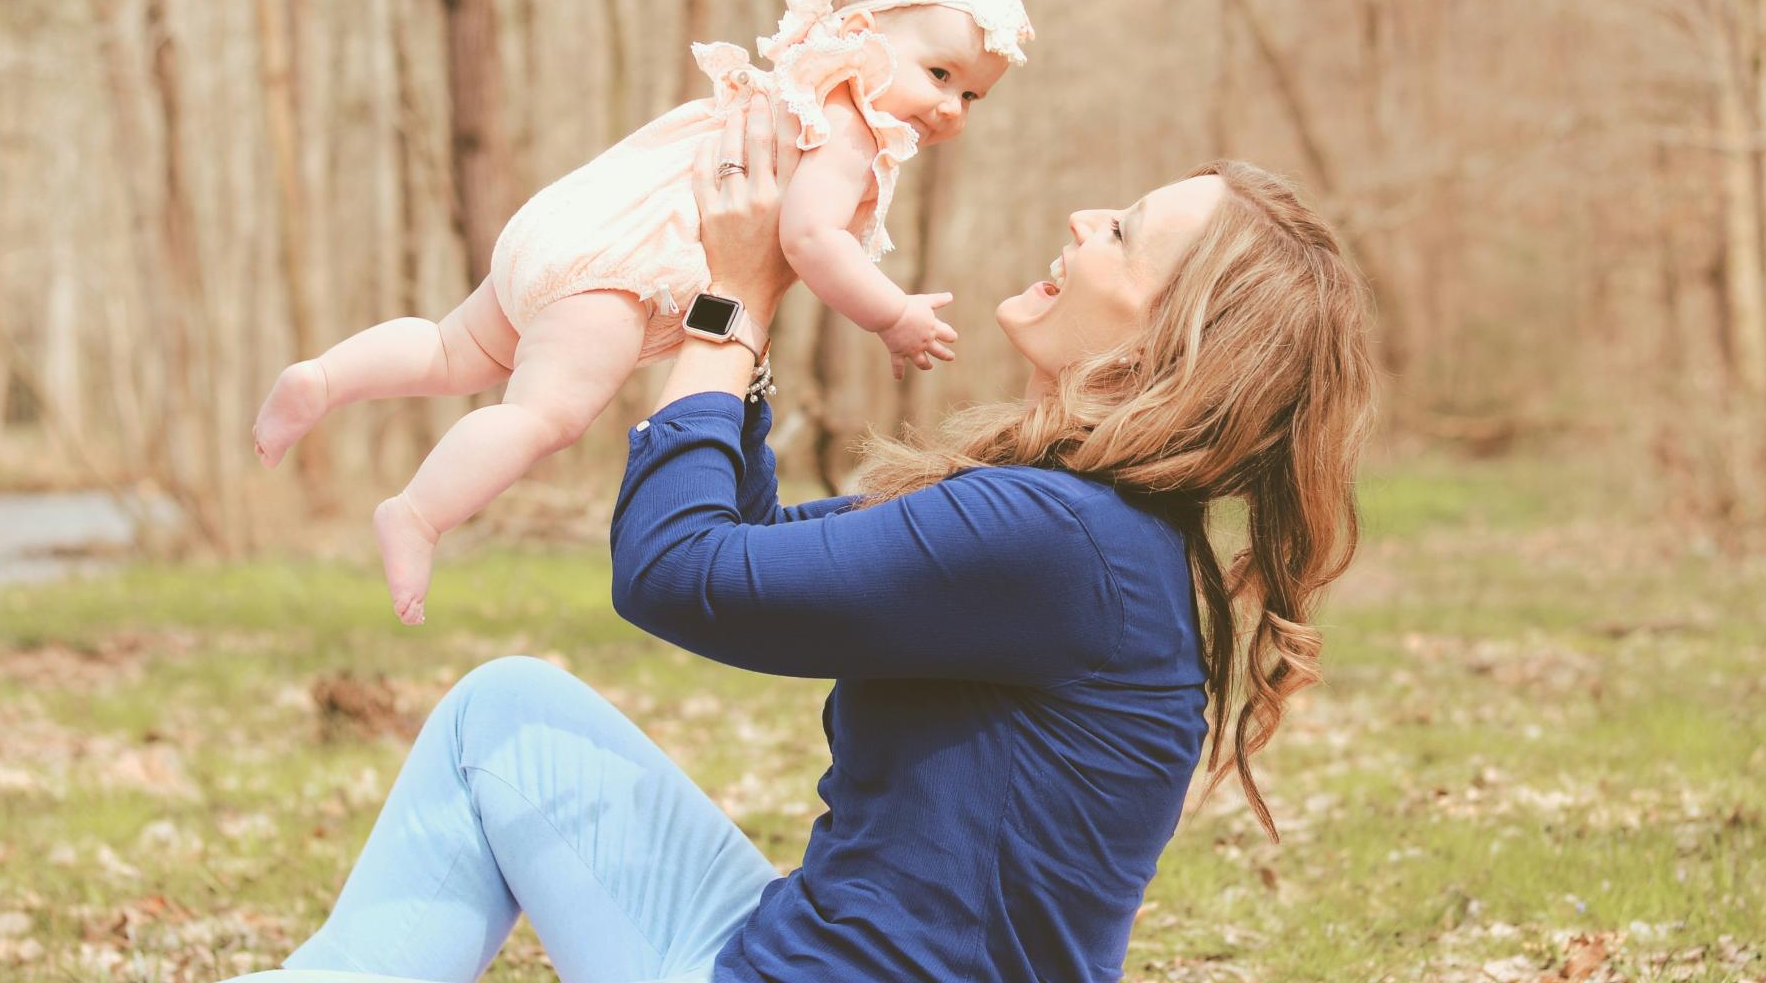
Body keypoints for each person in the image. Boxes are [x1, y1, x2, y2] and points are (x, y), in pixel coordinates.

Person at [228, 90, 1377, 983]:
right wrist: (734, 326)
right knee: (504, 713)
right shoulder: (1087, 532)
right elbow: (754, 546)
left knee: (498, 721)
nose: (1083, 219)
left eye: (1120, 234)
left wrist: (732, 304)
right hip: (783, 943)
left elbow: (676, 574)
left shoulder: (1057, 540)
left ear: (1170, 343)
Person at [249, 0, 1035, 623]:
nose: (952, 109)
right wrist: (890, 314)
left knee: (454, 349)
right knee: (543, 417)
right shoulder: (848, 125)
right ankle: (419, 514)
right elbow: (809, 240)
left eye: (973, 95)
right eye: (940, 75)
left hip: (571, 223)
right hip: (617, 272)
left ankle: (324, 378)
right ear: (863, 32)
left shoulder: (799, 77)